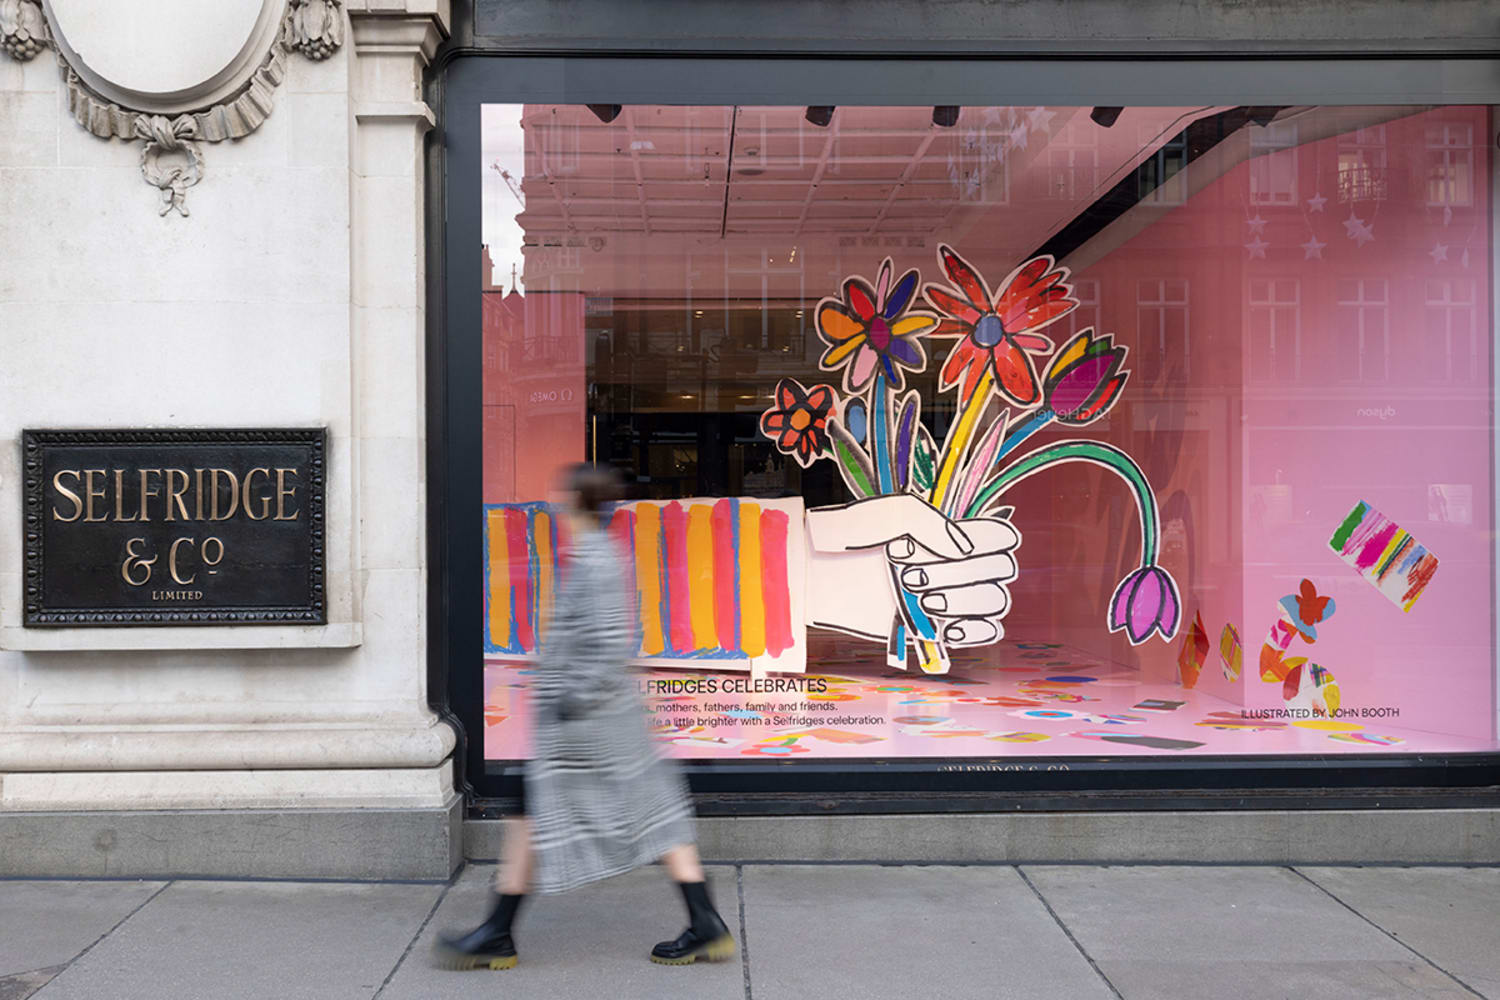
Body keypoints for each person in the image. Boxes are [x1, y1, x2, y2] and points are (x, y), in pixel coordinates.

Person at [434, 463, 734, 970]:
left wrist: (573, 700)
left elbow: (613, 641)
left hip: (588, 727)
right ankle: (703, 922)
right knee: (618, 812)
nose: (553, 499)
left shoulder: (596, 560)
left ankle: (498, 934)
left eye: (561, 492)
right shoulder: (594, 554)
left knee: (624, 813)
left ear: (576, 500)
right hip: (595, 723)